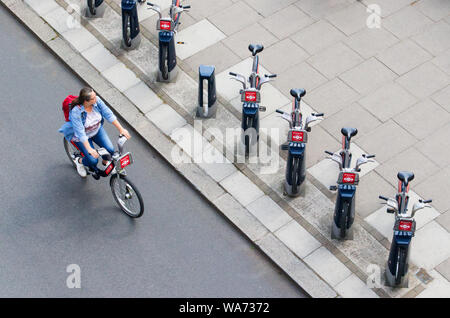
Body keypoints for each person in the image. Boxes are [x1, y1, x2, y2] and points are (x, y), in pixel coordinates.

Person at [59, 87, 131, 178]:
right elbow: (80, 132)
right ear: (86, 101)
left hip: (96, 130)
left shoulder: (97, 101)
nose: (96, 99)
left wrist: (121, 129)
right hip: (83, 136)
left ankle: (106, 163)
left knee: (110, 150)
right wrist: (89, 149)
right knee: (92, 160)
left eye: (95, 95)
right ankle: (79, 161)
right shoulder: (76, 112)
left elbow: (108, 114)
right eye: (93, 98)